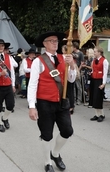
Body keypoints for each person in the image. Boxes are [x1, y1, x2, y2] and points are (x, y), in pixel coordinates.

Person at [28, 32, 76, 172]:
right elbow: (32, 84)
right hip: (44, 103)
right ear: (44, 44)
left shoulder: (64, 58)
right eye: (51, 41)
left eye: (56, 41)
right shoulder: (38, 61)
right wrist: (32, 106)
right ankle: (47, 162)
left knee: (67, 130)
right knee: (46, 134)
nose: (55, 43)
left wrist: (72, 65)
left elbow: (71, 79)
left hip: (61, 102)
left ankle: (55, 154)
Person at [89, 47, 109, 122]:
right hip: (94, 79)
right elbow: (93, 70)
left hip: (100, 80)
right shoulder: (94, 60)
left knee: (99, 97)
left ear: (99, 53)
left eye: (95, 51)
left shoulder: (104, 61)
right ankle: (97, 114)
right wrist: (91, 73)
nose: (94, 53)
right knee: (94, 97)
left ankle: (102, 114)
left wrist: (103, 83)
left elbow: (105, 73)